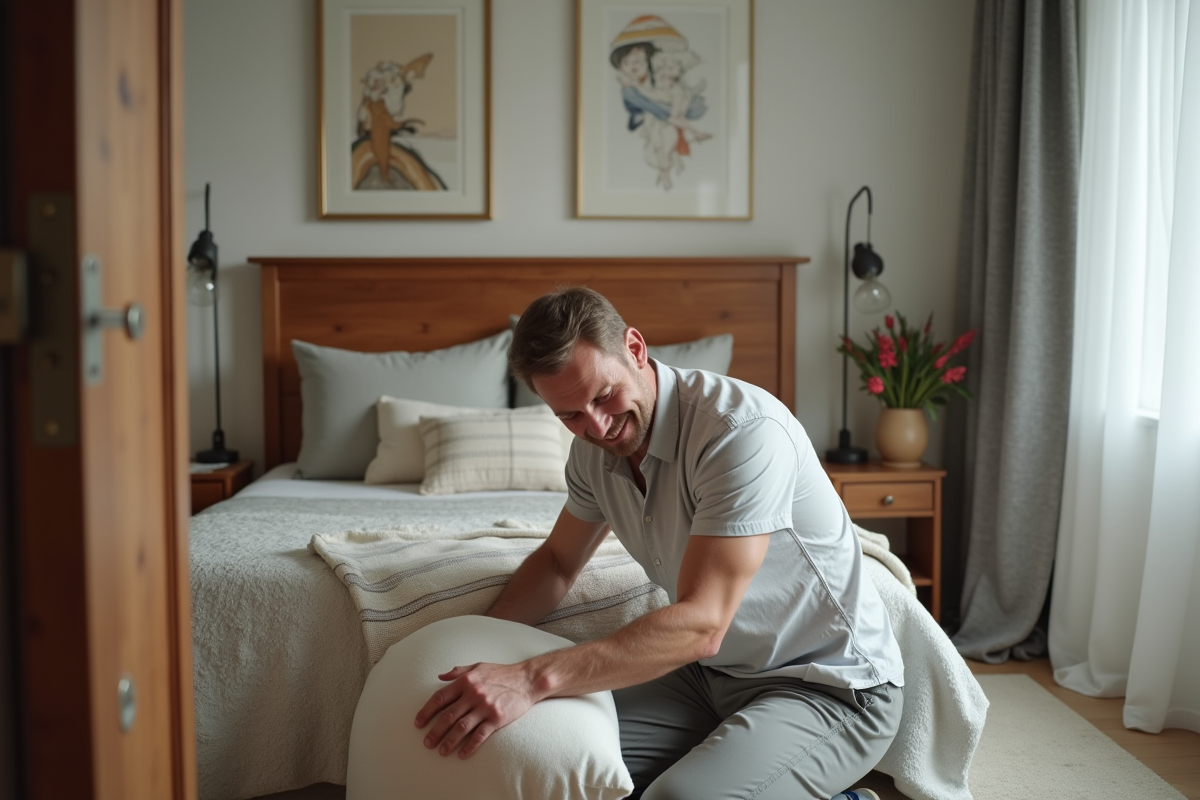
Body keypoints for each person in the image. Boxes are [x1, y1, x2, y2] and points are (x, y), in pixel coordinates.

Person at [414, 288, 904, 800]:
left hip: (827, 686)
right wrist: (475, 645)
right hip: (704, 676)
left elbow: (703, 622)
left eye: (603, 396)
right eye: (570, 416)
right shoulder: (591, 452)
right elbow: (558, 563)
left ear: (636, 348)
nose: (597, 426)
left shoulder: (740, 432)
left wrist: (533, 677)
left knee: (677, 799)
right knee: (544, 754)